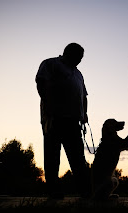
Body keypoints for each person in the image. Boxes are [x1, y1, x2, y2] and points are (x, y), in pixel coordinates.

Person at [36, 43, 90, 199]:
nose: (80, 59)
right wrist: (48, 105)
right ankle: (54, 192)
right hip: (54, 117)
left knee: (78, 157)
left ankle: (85, 191)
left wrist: (84, 114)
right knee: (52, 155)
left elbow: (83, 95)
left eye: (82, 57)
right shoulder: (50, 63)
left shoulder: (79, 74)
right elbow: (41, 82)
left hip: (73, 120)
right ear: (68, 53)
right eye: (78, 56)